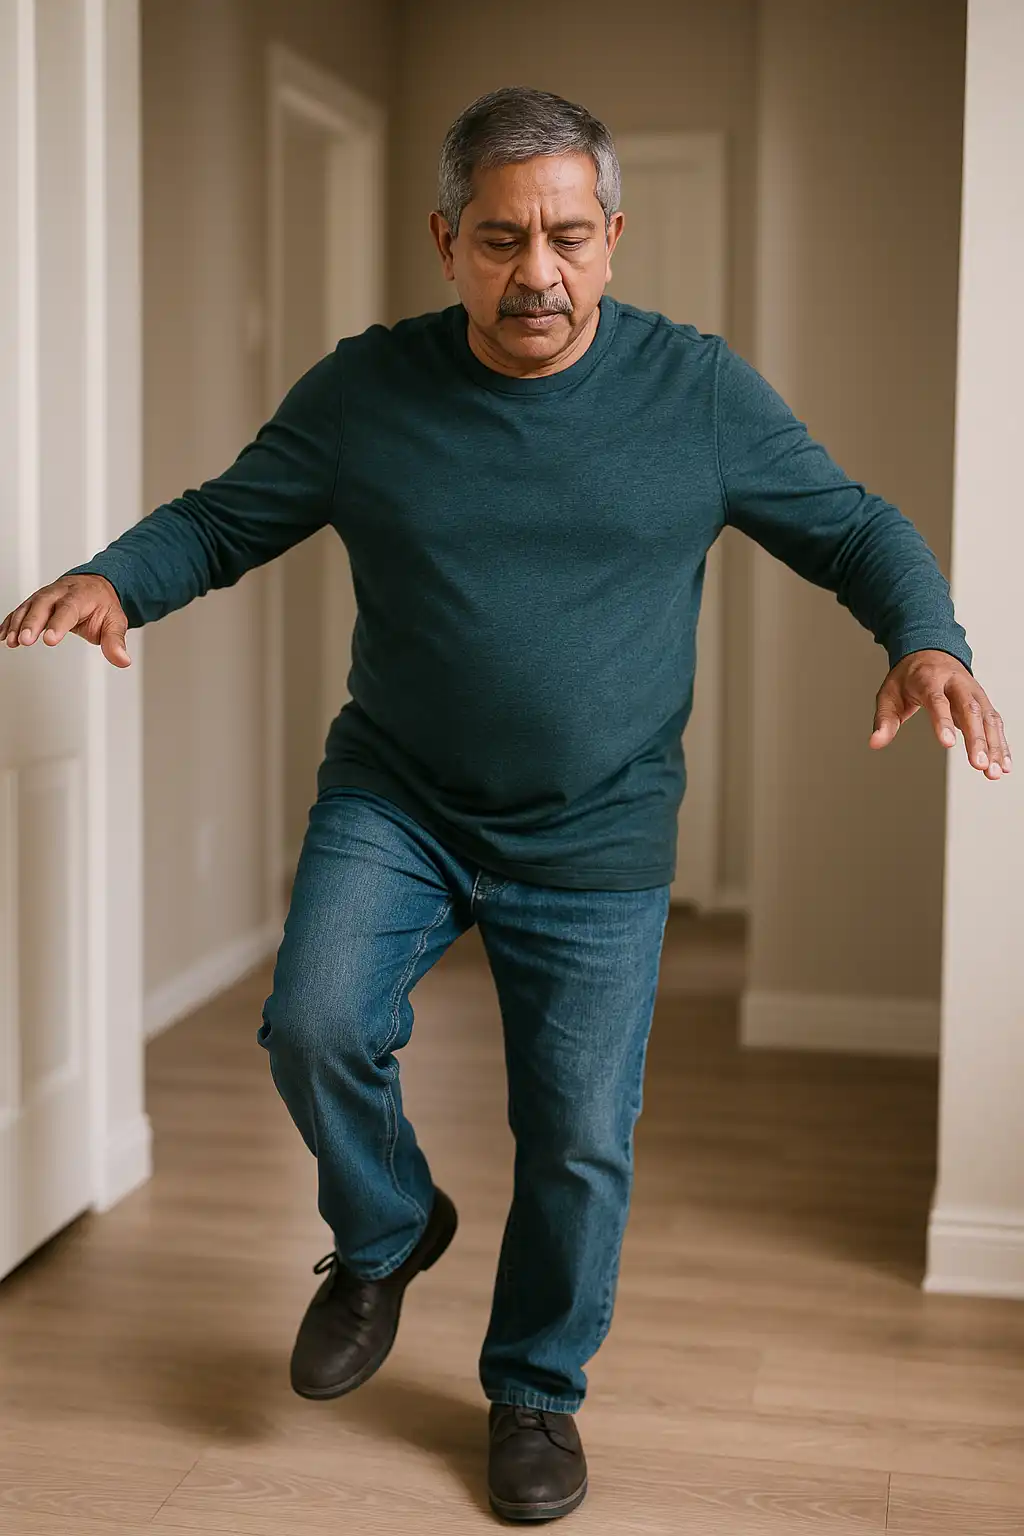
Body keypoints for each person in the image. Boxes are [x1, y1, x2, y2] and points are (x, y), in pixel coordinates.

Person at [1, 85, 1010, 1524]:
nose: (537, 272)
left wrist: (927, 639)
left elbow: (853, 525)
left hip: (597, 829)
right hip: (399, 797)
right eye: (500, 238)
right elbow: (228, 517)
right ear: (445, 242)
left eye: (568, 237)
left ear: (613, 238)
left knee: (579, 1132)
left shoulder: (697, 393)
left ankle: (536, 1391)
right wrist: (117, 576)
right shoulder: (367, 392)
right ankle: (387, 1229)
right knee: (315, 1022)